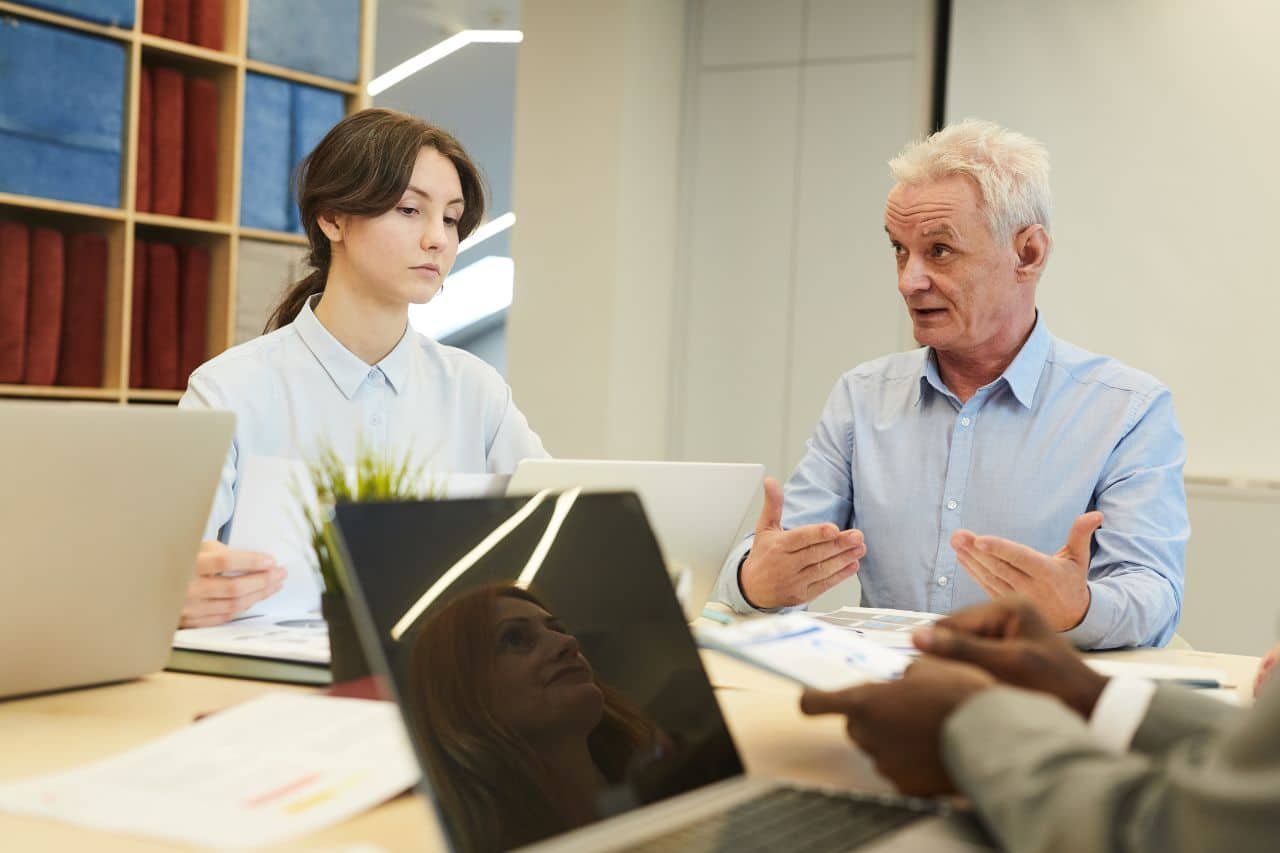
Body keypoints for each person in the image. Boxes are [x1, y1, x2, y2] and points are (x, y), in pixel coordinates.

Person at [713, 119, 1188, 649]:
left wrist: (1078, 609)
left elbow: (1154, 596)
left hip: (1031, 707)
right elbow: (776, 553)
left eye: (939, 251)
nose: (908, 280)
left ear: (1028, 254)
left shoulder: (1126, 410)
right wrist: (756, 581)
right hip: (888, 701)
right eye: (899, 249)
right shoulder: (863, 396)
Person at [177, 109, 547, 627]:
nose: (439, 239)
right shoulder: (228, 390)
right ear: (333, 219)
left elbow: (558, 532)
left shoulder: (476, 391)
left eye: (450, 217)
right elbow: (166, 564)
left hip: (434, 680)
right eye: (410, 210)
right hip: (267, 684)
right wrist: (175, 586)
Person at [800, 597, 1280, 851]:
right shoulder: (858, 410)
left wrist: (971, 719)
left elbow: (1161, 835)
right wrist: (1090, 695)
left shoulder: (1128, 411)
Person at [408, 585, 663, 852]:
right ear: (461, 695)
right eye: (514, 639)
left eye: (558, 629)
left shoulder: (667, 773)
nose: (568, 642)